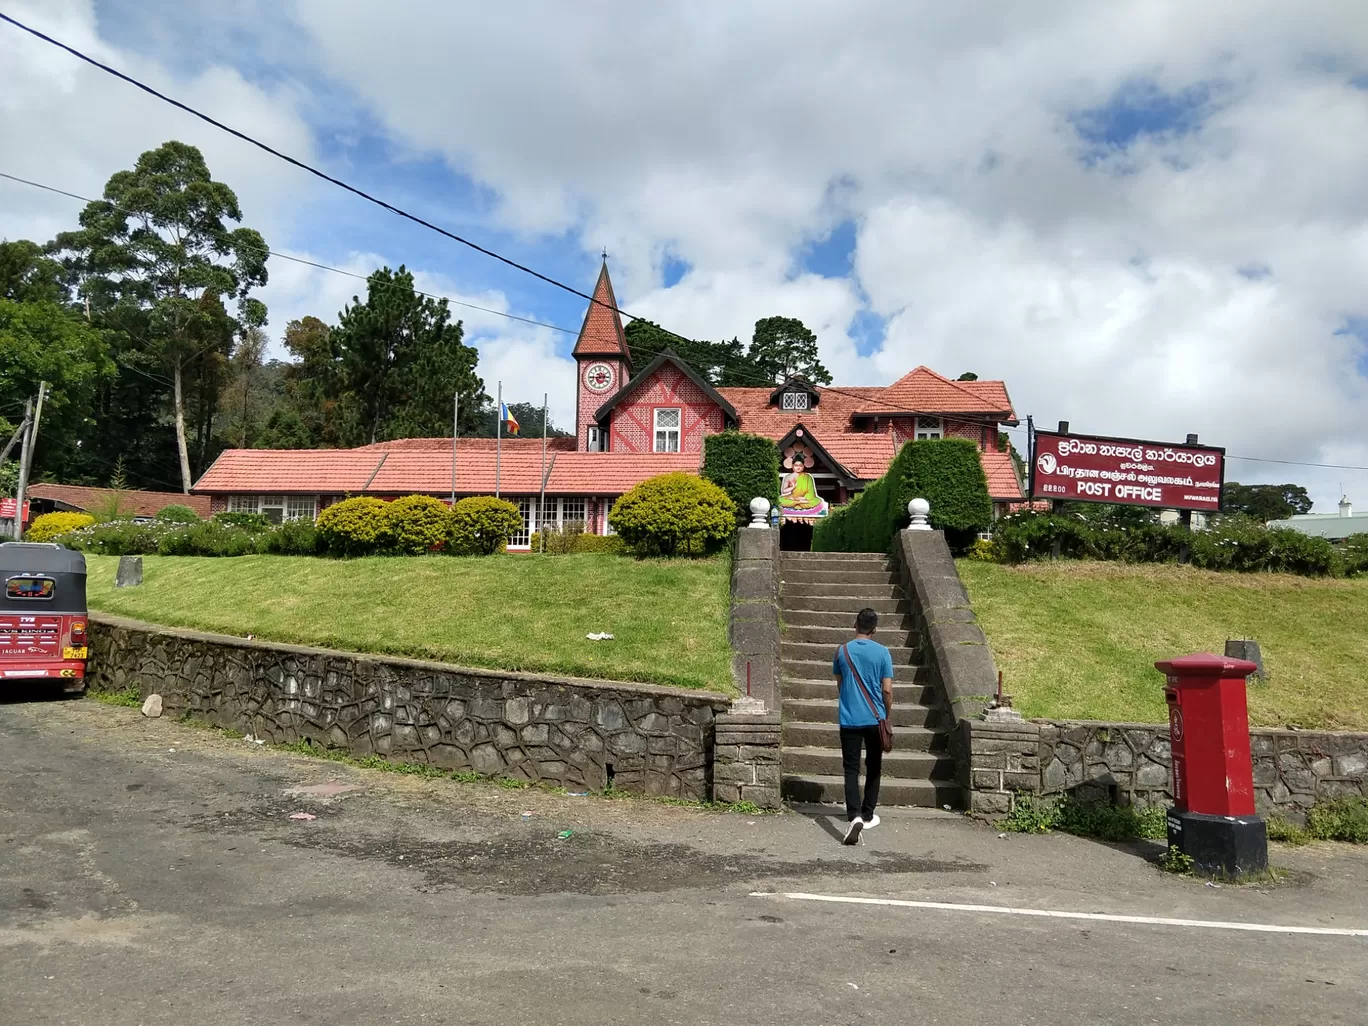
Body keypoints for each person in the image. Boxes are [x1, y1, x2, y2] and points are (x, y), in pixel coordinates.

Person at [831, 606, 894, 845]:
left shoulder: (841, 651)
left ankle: (854, 815)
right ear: (875, 630)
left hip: (849, 719)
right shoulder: (883, 653)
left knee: (850, 769)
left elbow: (840, 683)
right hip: (875, 718)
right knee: (874, 767)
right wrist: (886, 714)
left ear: (854, 625)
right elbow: (886, 689)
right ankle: (867, 814)